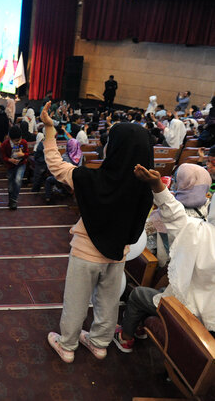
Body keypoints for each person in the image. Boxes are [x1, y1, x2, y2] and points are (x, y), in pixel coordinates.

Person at [41, 101, 154, 363]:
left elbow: (56, 166)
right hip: (119, 253)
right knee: (108, 300)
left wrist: (49, 130)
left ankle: (67, 346)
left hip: (85, 253)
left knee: (76, 300)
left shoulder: (89, 179)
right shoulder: (147, 188)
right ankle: (100, 343)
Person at [113, 164, 215, 353]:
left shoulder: (197, 230)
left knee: (138, 295)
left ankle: (125, 337)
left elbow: (146, 235)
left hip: (181, 296)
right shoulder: (206, 208)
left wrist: (157, 185)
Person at [0, 126, 29, 210]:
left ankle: (14, 200)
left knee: (18, 180)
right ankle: (11, 199)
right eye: (16, 141)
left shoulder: (23, 142)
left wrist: (23, 155)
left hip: (21, 164)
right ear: (10, 138)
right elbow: (3, 157)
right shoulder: (5, 144)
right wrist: (10, 160)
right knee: (10, 185)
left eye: (19, 139)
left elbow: (27, 153)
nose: (18, 142)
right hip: (10, 166)